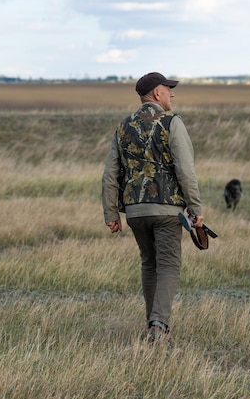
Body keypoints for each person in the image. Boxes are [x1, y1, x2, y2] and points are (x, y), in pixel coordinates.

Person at [101, 72, 205, 346]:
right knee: (169, 265)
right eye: (168, 89)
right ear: (157, 94)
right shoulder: (172, 123)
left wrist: (111, 213)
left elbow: (111, 174)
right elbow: (185, 169)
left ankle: (155, 327)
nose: (172, 94)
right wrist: (195, 207)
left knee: (149, 264)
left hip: (135, 210)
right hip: (167, 209)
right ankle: (159, 327)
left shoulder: (123, 127)